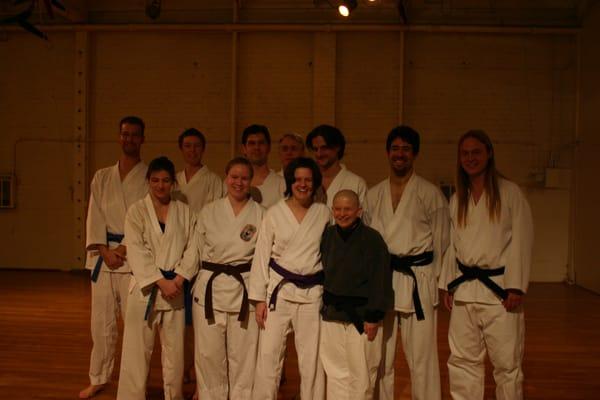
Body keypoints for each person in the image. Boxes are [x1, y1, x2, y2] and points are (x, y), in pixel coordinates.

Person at [439, 130, 533, 400]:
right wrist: (449, 284)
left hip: (500, 292)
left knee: (506, 365)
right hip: (465, 291)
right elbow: (453, 244)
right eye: (465, 153)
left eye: (476, 152)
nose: (470, 158)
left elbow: (522, 240)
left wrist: (516, 286)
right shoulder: (459, 198)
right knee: (462, 362)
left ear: (489, 153)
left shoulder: (510, 192)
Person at [369, 126, 449, 400]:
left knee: (422, 356)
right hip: (384, 279)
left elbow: (442, 243)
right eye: (395, 148)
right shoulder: (373, 194)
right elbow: (368, 243)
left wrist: (441, 284)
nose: (399, 154)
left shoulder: (430, 194)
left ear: (414, 153)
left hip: (419, 278)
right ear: (387, 153)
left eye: (405, 149)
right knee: (381, 354)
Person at [116, 156, 199, 400]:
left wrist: (180, 278)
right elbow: (135, 248)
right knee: (136, 351)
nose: (160, 185)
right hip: (146, 290)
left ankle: (174, 396)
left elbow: (194, 247)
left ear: (173, 183)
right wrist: (159, 281)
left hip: (175, 289)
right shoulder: (136, 211)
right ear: (148, 181)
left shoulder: (185, 212)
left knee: (175, 353)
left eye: (165, 181)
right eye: (155, 180)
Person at [249, 157, 330, 400]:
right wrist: (258, 299)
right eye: (297, 180)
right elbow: (261, 255)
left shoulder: (324, 213)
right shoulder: (274, 212)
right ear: (290, 182)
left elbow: (330, 254)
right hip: (278, 293)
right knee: (269, 358)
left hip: (312, 294)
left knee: (312, 361)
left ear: (315, 183)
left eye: (308, 180)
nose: (302, 184)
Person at [79, 116, 148, 399]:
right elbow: (94, 215)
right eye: (124, 134)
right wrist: (105, 250)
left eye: (134, 135)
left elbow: (148, 218)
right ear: (118, 137)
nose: (129, 139)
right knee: (101, 321)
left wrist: (124, 249)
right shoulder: (102, 176)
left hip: (132, 258)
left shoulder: (149, 176)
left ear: (142, 139)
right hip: (103, 257)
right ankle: (99, 377)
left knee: (134, 324)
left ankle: (133, 384)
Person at [192, 157, 264, 399]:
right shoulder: (209, 211)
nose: (239, 182)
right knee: (208, 355)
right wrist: (181, 279)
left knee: (244, 355)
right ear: (226, 179)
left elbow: (265, 259)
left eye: (244, 178)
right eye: (234, 177)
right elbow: (195, 251)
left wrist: (263, 295)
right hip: (210, 290)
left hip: (245, 290)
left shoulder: (262, 214)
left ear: (250, 181)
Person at [320, 189, 393, 400]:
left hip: (362, 317)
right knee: (335, 373)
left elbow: (381, 279)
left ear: (359, 211)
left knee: (362, 375)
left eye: (348, 209)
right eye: (338, 209)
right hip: (332, 314)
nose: (342, 214)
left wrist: (374, 316)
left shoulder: (372, 239)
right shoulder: (327, 236)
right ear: (332, 210)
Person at [306, 124, 368, 208]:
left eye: (324, 148)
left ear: (337, 147)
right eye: (315, 149)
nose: (319, 154)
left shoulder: (356, 183)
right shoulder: (306, 181)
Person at [174, 128, 223, 214]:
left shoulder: (214, 180)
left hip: (203, 227)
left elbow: (216, 213)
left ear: (203, 149)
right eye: (187, 146)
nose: (192, 150)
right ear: (181, 149)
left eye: (197, 146)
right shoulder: (175, 179)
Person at [241, 124, 285, 208]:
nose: (256, 147)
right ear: (244, 148)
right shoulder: (232, 184)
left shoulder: (282, 184)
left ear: (269, 147)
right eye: (251, 143)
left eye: (261, 143)